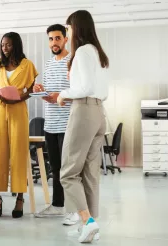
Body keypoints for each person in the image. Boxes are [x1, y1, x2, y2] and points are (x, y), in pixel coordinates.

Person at [57, 10, 109, 243]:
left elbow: (85, 87)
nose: (67, 34)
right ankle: (92, 224)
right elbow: (99, 88)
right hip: (99, 112)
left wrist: (63, 94)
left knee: (68, 172)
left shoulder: (83, 51)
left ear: (76, 27)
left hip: (84, 110)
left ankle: (87, 222)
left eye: (67, 29)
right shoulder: (99, 53)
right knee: (90, 172)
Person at [0, 32, 38, 218]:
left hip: (18, 109)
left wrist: (18, 98)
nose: (4, 48)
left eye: (8, 45)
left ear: (16, 45)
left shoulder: (27, 65)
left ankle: (19, 199)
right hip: (0, 109)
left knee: (18, 152)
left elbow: (31, 90)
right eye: (2, 45)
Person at [33, 24, 79, 225]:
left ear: (66, 39)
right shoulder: (49, 63)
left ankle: (75, 210)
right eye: (51, 39)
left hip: (68, 122)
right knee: (56, 167)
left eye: (57, 38)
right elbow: (51, 94)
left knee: (70, 170)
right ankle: (58, 205)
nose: (54, 42)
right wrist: (41, 90)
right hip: (50, 123)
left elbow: (79, 93)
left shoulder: (74, 62)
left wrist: (59, 97)